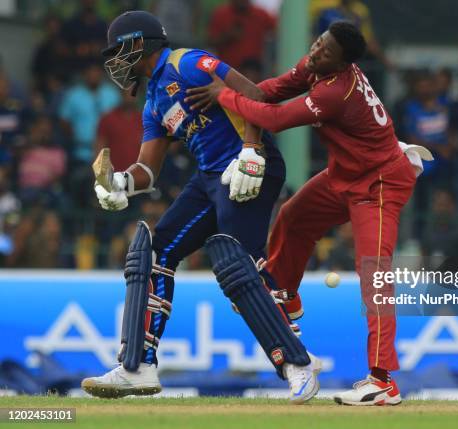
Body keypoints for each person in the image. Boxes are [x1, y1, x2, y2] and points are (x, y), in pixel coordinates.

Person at [80, 10, 321, 403]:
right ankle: (138, 367)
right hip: (211, 177)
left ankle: (297, 363)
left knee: (235, 263)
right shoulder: (154, 100)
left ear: (139, 44)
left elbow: (254, 95)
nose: (114, 61)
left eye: (118, 50)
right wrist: (121, 182)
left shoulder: (188, 63)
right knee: (155, 252)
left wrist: (250, 150)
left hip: (250, 166)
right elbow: (148, 169)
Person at [187, 21, 422, 406]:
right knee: (293, 217)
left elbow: (275, 119)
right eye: (318, 43)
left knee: (374, 275)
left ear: (343, 63)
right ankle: (284, 294)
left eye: (326, 52)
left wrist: (225, 97)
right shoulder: (315, 67)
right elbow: (266, 93)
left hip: (380, 184)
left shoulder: (335, 91)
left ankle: (383, 381)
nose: (315, 52)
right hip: (347, 174)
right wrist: (230, 92)